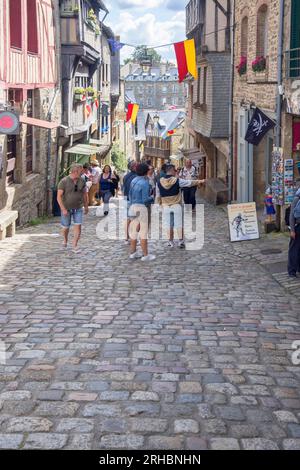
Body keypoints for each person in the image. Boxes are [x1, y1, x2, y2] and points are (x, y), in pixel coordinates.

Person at [156, 164, 205, 248]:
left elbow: (158, 195)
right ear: (171, 171)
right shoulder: (177, 181)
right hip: (176, 205)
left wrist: (160, 204)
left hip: (166, 206)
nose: (176, 172)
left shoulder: (159, 182)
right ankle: (180, 241)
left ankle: (170, 242)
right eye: (175, 170)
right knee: (179, 224)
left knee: (169, 225)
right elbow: (189, 183)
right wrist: (200, 181)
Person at [57, 163, 89, 253]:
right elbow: (59, 196)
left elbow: (84, 194)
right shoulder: (63, 181)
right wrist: (63, 209)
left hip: (78, 208)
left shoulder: (82, 181)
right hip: (66, 208)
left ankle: (75, 245)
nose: (82, 172)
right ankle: (65, 240)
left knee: (78, 226)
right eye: (81, 171)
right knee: (65, 227)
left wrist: (86, 206)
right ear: (75, 171)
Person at [128, 163, 155, 261]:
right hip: (141, 207)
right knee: (143, 232)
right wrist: (152, 198)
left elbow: (130, 195)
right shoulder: (145, 183)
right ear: (146, 171)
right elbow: (145, 199)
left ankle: (133, 253)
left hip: (132, 206)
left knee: (134, 231)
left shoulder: (133, 180)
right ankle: (145, 255)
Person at [123, 161, 138, 243]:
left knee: (128, 219)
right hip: (133, 200)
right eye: (137, 166)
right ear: (134, 167)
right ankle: (132, 238)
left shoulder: (126, 176)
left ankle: (127, 237)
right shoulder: (136, 177)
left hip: (127, 199)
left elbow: (124, 188)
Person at [288, 187, 300, 278]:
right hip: (297, 227)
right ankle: (292, 270)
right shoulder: (297, 198)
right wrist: (292, 230)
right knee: (294, 249)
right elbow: (292, 215)